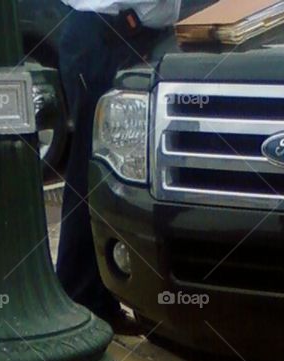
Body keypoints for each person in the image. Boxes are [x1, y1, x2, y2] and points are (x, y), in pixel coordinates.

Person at [54, 1, 180, 332]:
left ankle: (95, 295)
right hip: (111, 34)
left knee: (112, 166)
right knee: (93, 168)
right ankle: (80, 297)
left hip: (124, 33)